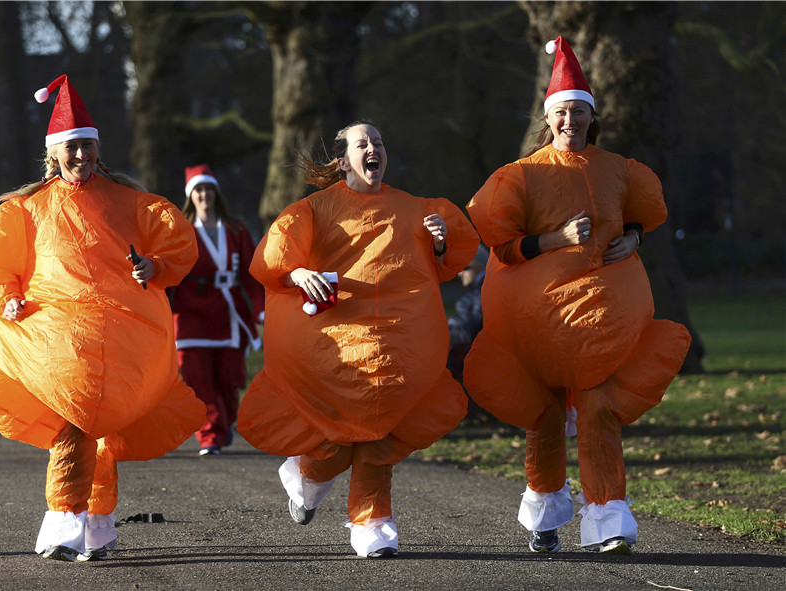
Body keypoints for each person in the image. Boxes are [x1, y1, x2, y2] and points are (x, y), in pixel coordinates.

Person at [463, 37, 692, 555]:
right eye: (561, 113)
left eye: (578, 113)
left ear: (591, 118)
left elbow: (639, 212)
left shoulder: (616, 167)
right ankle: (544, 510)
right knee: (545, 415)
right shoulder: (523, 174)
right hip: (539, 323)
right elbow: (502, 245)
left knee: (599, 409)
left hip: (604, 324)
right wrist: (557, 240)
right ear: (550, 120)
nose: (569, 121)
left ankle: (607, 516)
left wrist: (634, 235)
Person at [0, 75, 206, 562]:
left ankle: (92, 522)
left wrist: (155, 266)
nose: (80, 157)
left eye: (87, 147)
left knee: (94, 425)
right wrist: (7, 293)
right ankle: (70, 519)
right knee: (78, 418)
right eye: (71, 148)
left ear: (98, 150)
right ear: (54, 154)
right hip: (55, 335)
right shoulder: (28, 210)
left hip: (122, 334)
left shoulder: (130, 201)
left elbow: (174, 241)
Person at [238, 121, 480, 558]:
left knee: (381, 436)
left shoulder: (413, 208)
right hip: (335, 347)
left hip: (396, 346)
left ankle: (373, 522)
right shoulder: (313, 208)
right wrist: (299, 272)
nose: (373, 149)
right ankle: (309, 477)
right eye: (362, 143)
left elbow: (446, 264)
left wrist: (440, 245)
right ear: (342, 160)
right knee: (335, 440)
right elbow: (274, 259)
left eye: (379, 142)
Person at [169, 164, 264, 456]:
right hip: (190, 316)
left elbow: (252, 273)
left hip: (228, 313)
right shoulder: (180, 231)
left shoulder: (236, 230)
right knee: (198, 380)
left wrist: (260, 309)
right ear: (190, 195)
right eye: (198, 189)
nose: (204, 195)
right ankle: (210, 436)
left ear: (216, 192)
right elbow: (168, 272)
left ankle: (224, 425)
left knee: (229, 380)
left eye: (208, 188)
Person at [446, 244, 488, 383]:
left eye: (463, 268)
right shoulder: (488, 288)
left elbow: (467, 329)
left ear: (477, 266)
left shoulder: (480, 295)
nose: (459, 273)